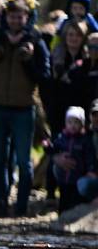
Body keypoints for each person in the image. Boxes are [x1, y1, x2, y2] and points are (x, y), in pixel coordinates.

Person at [0, 0, 51, 217]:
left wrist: (29, 60)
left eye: (19, 17)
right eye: (11, 16)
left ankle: (21, 207)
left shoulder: (36, 40)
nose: (15, 21)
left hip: (24, 108)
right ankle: (0, 204)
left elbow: (44, 75)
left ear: (26, 17)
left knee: (24, 161)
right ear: (6, 17)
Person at [43, 21, 88, 198]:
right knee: (57, 146)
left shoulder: (87, 59)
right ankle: (50, 191)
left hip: (79, 110)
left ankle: (72, 193)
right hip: (58, 109)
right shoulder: (56, 56)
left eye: (77, 35)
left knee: (78, 151)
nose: (73, 38)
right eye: (70, 35)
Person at [50, 106, 96, 213]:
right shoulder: (62, 138)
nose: (73, 125)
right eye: (69, 122)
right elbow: (54, 149)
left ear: (82, 124)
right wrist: (48, 147)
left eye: (76, 122)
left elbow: (90, 157)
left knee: (75, 201)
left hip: (78, 176)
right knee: (63, 199)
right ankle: (61, 219)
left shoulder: (85, 141)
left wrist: (90, 170)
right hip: (64, 177)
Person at [77, 101, 98, 202]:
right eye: (95, 115)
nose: (97, 118)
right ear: (89, 116)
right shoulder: (84, 135)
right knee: (83, 183)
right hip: (91, 176)